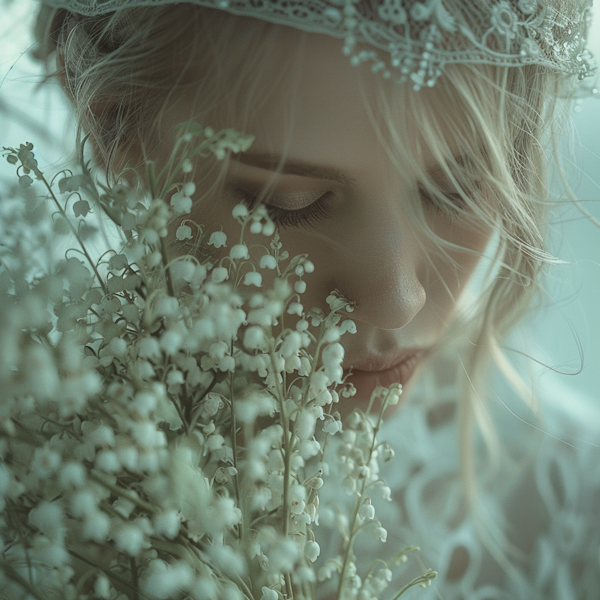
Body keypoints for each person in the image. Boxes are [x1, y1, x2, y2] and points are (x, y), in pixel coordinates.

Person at [30, 0, 600, 597]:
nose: (397, 301)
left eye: (459, 188)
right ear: (117, 135)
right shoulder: (33, 485)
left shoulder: (574, 518)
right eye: (290, 202)